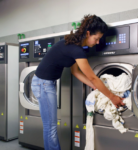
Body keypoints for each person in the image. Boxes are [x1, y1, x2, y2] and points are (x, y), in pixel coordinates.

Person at [31, 14, 125, 150]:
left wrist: (95, 87)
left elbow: (75, 72)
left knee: (49, 126)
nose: (98, 42)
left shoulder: (74, 45)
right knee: (50, 127)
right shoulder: (76, 49)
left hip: (45, 83)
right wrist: (112, 97)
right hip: (42, 84)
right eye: (97, 38)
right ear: (88, 33)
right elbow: (93, 77)